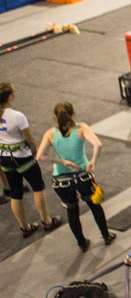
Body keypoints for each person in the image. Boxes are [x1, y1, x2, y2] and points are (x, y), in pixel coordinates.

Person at [35, 102, 115, 252]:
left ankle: (82, 243)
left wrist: (62, 162)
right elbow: (98, 145)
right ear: (73, 114)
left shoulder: (50, 133)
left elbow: (40, 156)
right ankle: (106, 235)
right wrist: (93, 161)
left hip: (61, 180)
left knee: (72, 211)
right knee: (94, 205)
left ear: (54, 117)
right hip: (83, 175)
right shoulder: (81, 128)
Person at [0, 83, 61, 237]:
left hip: (5, 159)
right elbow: (30, 139)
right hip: (22, 157)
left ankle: (24, 227)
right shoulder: (17, 116)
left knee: (16, 192)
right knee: (37, 187)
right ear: (9, 96)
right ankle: (46, 220)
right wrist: (34, 152)